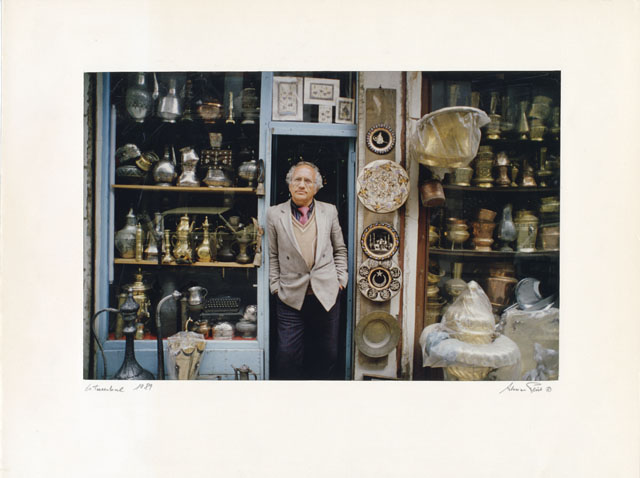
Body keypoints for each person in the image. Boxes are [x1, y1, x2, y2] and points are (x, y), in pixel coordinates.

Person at [267, 161, 348, 380]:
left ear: (316, 187)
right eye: (297, 180)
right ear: (290, 184)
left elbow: (340, 249)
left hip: (326, 294)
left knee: (327, 354)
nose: (302, 185)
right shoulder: (274, 214)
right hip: (290, 296)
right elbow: (272, 255)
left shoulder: (329, 211)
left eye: (307, 181)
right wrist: (275, 287)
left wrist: (341, 281)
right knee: (287, 356)